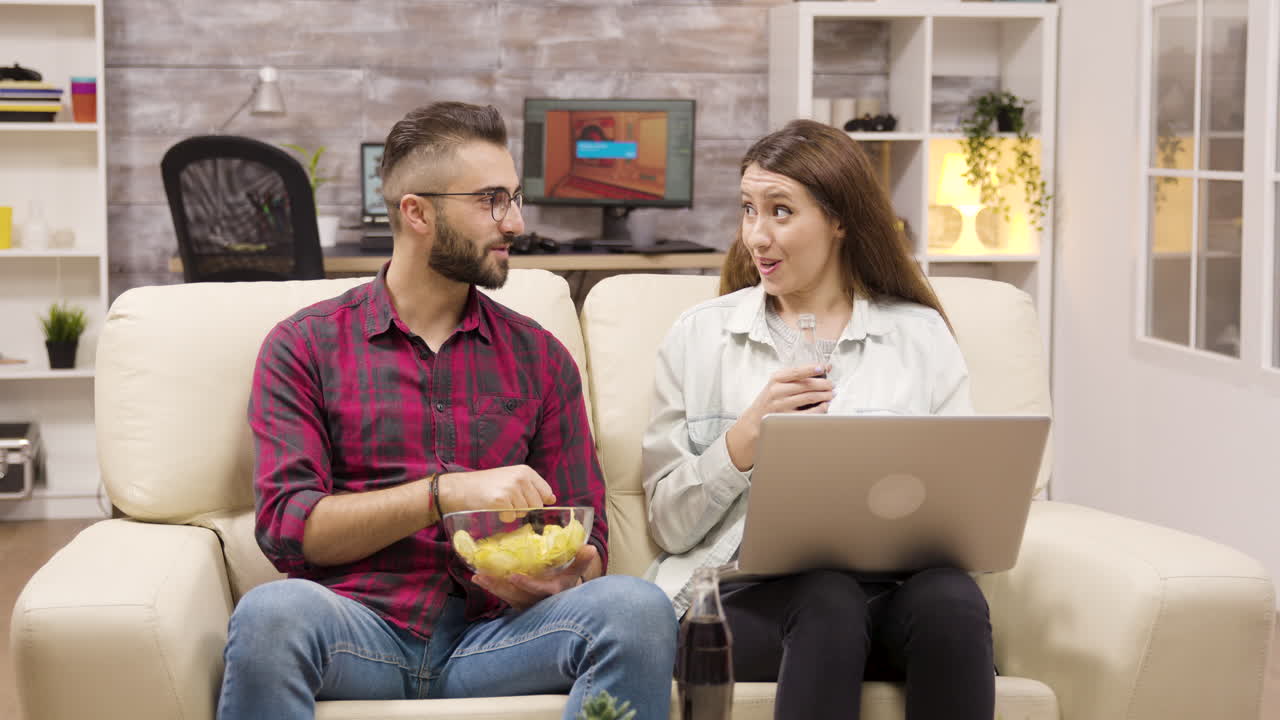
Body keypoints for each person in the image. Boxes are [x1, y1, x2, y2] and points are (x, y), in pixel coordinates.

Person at [217, 101, 677, 720]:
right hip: (359, 631)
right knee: (270, 615)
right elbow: (288, 528)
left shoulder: (539, 358)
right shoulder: (305, 346)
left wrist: (565, 573)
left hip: (502, 636)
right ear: (418, 212)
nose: (514, 221)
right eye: (491, 200)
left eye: (514, 198)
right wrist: (444, 493)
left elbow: (589, 537)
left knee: (636, 609)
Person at [641, 119, 992, 719]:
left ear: (839, 219)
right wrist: (744, 439)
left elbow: (965, 514)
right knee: (827, 597)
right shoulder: (701, 337)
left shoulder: (919, 336)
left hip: (890, 596)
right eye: (749, 210)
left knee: (953, 600)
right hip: (746, 602)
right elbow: (670, 526)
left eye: (780, 211)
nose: (757, 234)